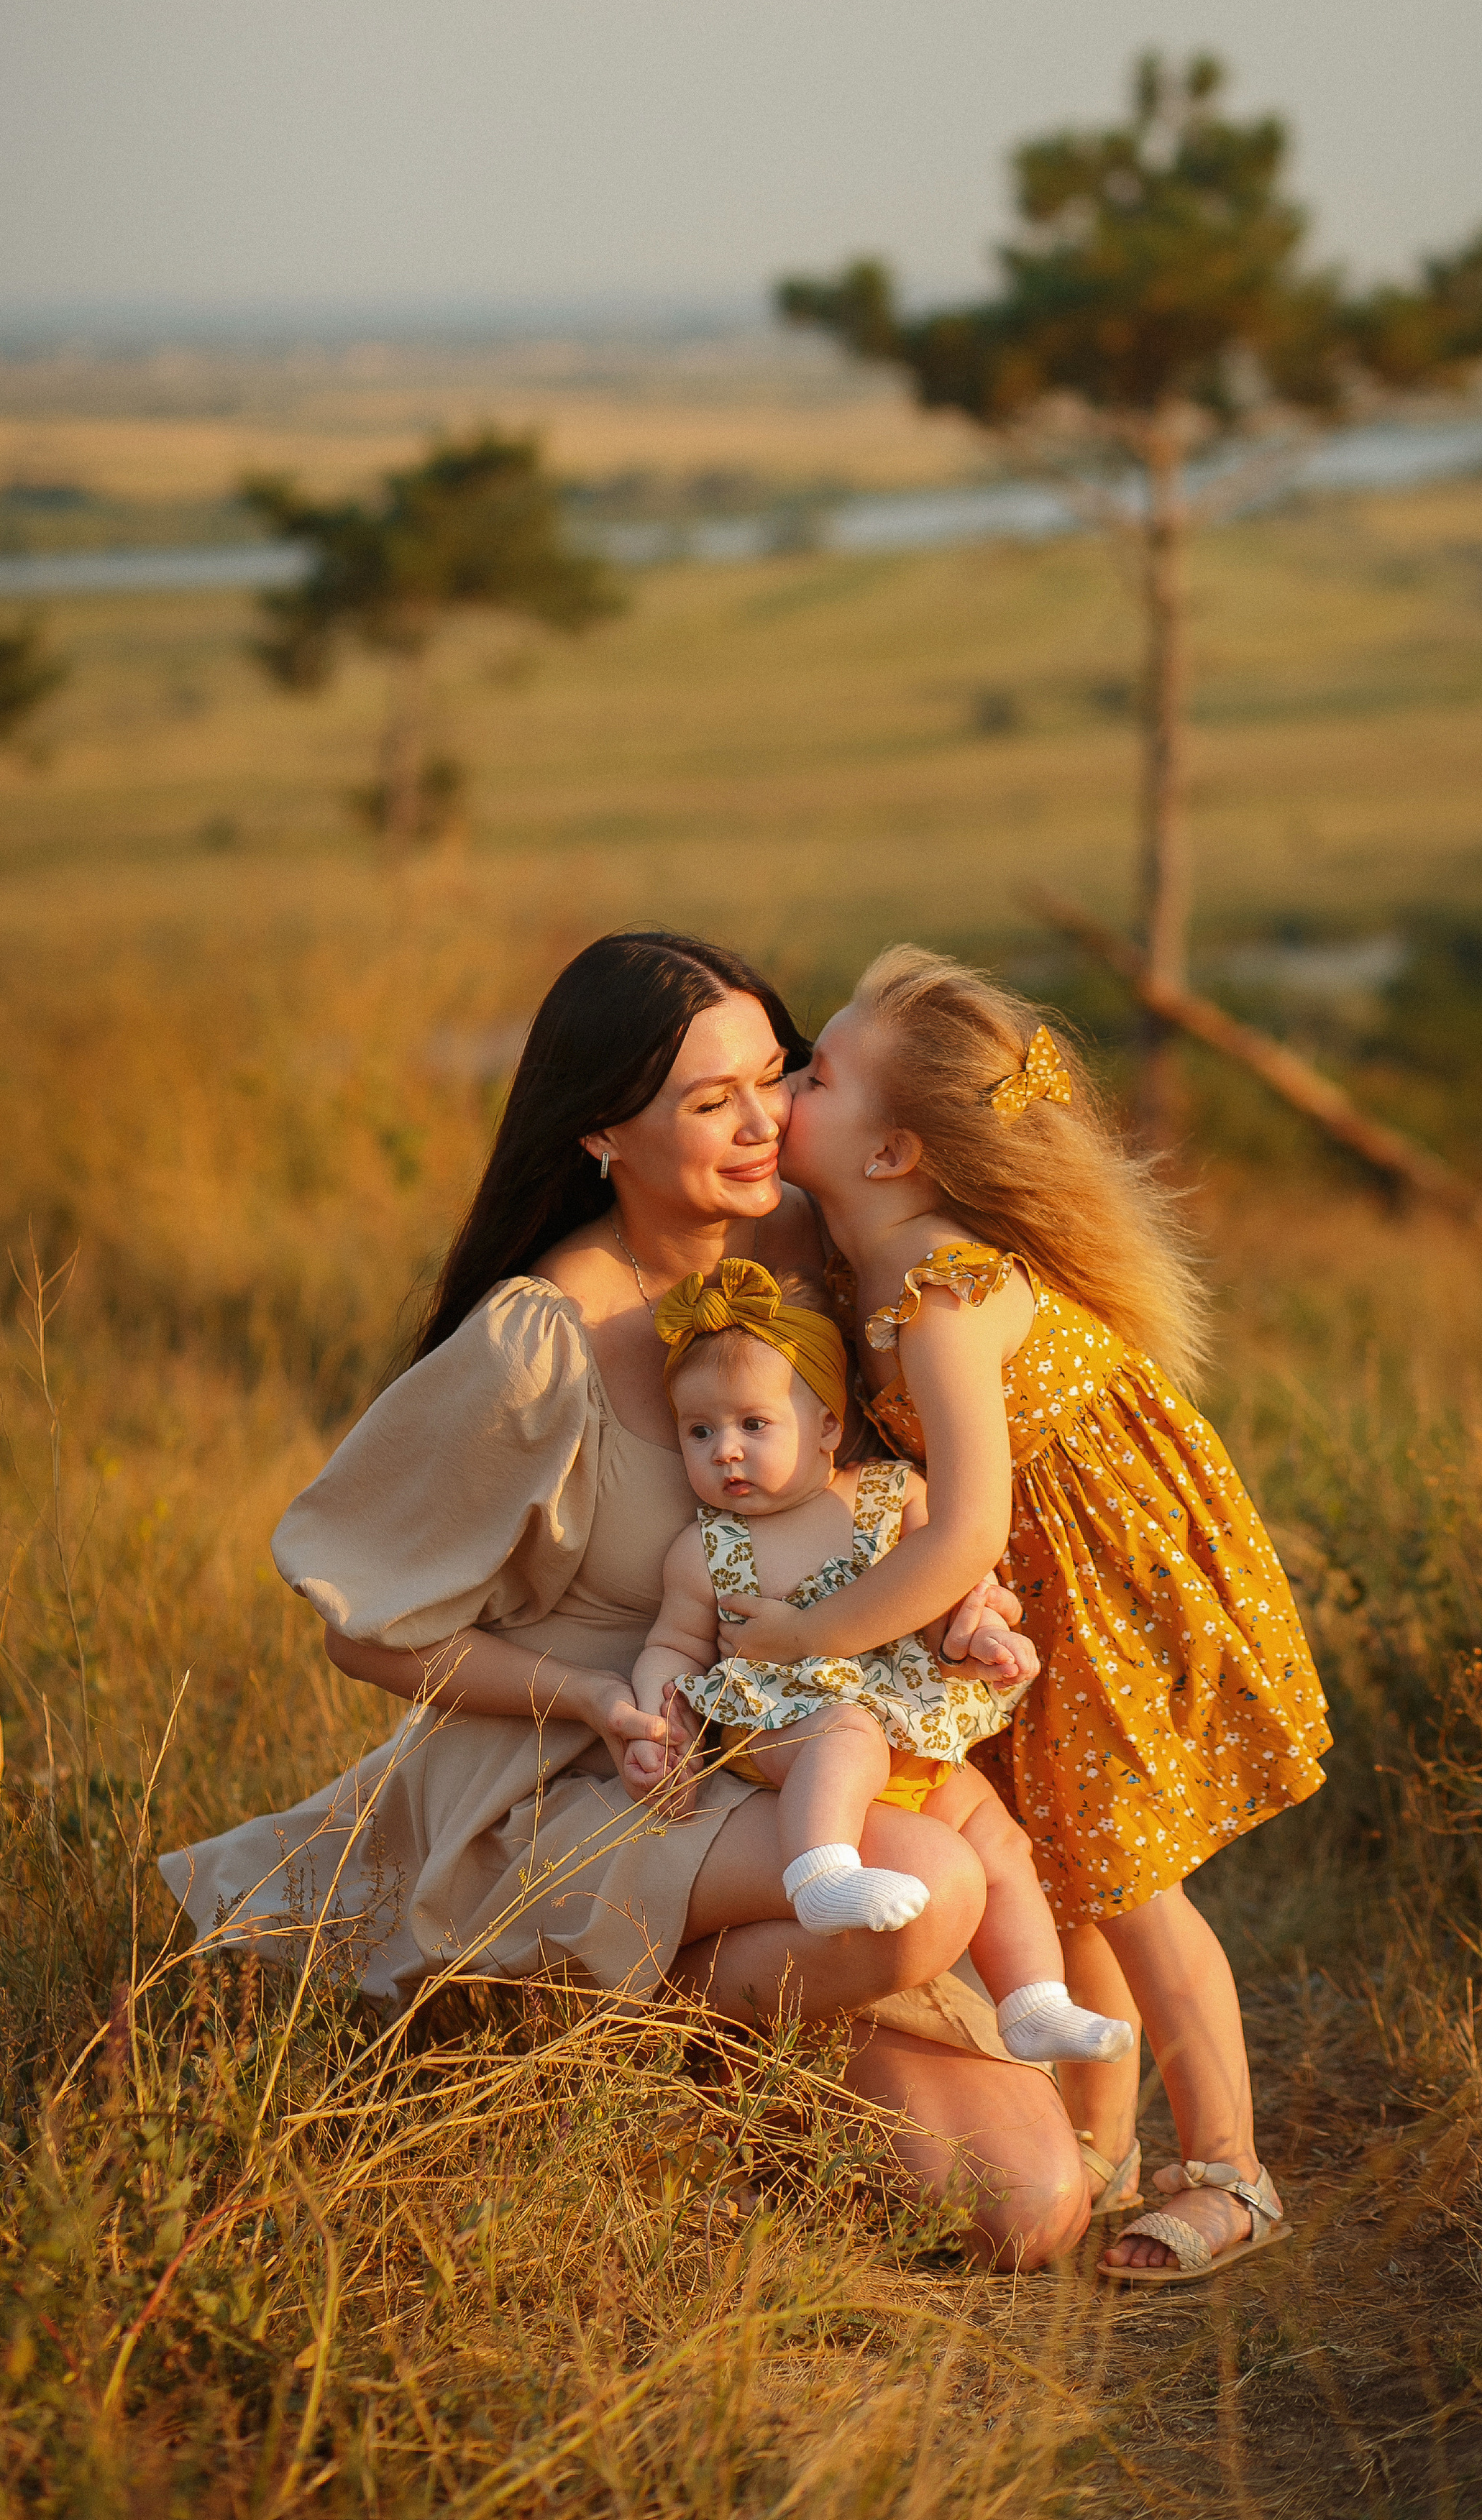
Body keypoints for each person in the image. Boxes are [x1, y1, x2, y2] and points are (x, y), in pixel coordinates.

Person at [158, 930, 1089, 2269]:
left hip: (788, 1767)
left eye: (777, 1075)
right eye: (712, 1102)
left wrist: (964, 1597)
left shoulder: (827, 1246)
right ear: (603, 1132)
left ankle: (704, 2046)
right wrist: (597, 1696)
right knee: (929, 1884)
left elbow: (911, 1471)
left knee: (1028, 2207)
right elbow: (361, 1632)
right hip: (595, 1778)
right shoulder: (540, 1336)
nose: (765, 1123)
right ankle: (574, 2023)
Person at [727, 944, 1332, 2286]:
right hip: (1034, 1595)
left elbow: (964, 1529)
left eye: (814, 1077)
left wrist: (809, 1637)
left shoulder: (940, 1289)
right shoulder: (860, 1258)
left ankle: (1233, 2170)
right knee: (1066, 1871)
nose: (786, 1090)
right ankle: (1102, 2143)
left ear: (892, 1152)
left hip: (1106, 1586)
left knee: (1134, 1884)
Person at [629, 1256, 1136, 2070]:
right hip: (786, 1731)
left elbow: (947, 1598)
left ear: (827, 1426)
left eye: (754, 1425)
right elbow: (674, 1646)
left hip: (911, 1735)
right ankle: (819, 1874)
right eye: (700, 1432)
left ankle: (1033, 2003)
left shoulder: (892, 1496)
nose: (725, 1452)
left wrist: (982, 1635)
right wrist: (662, 1725)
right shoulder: (706, 1550)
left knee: (999, 1841)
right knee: (847, 1733)